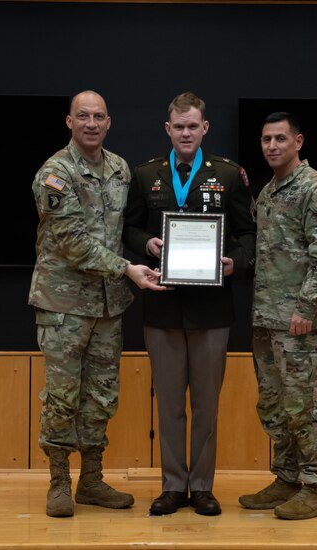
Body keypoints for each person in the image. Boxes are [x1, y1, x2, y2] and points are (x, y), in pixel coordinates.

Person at [28, 90, 166, 518]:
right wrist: (127, 268)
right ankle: (58, 482)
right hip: (64, 303)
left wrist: (152, 246)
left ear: (109, 122)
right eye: (82, 116)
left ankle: (90, 480)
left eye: (99, 116)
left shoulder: (121, 169)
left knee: (101, 396)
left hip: (108, 306)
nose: (91, 123)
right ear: (69, 122)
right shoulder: (54, 174)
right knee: (63, 396)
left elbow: (124, 228)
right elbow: (71, 242)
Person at [123, 92, 256, 516]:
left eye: (192, 126)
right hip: (162, 308)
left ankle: (202, 487)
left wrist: (236, 262)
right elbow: (127, 229)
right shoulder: (146, 176)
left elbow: (249, 234)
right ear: (168, 129)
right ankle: (172, 486)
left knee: (205, 405)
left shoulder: (229, 175)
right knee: (168, 405)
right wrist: (147, 243)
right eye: (178, 126)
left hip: (212, 310)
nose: (185, 133)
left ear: (205, 128)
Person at [238, 112, 317, 520]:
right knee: (275, 405)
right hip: (267, 320)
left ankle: (315, 488)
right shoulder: (268, 192)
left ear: (298, 141)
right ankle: (286, 479)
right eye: (266, 139)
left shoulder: (314, 190)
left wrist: (306, 308)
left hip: (299, 321)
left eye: (281, 138)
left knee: (305, 405)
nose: (272, 146)